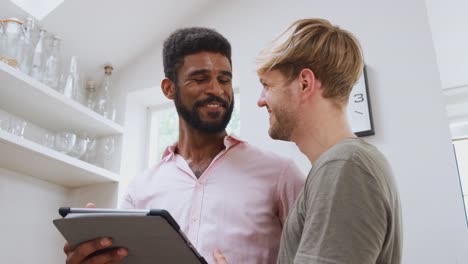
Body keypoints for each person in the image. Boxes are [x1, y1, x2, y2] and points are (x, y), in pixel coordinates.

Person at [63, 27, 305, 264]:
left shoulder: (280, 175)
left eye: (225, 79)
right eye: (200, 79)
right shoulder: (141, 189)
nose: (216, 90)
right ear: (169, 89)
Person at [214, 18, 402, 264]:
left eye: (267, 86)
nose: (260, 101)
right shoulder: (341, 166)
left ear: (305, 83)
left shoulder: (344, 167)